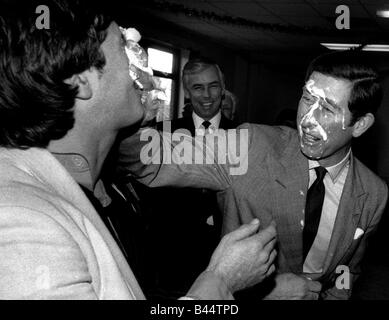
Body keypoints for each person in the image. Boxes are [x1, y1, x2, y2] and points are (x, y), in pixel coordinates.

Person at [0, 0, 277, 299]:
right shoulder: (22, 219)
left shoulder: (103, 187)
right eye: (123, 47)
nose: (139, 60)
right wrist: (220, 282)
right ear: (81, 79)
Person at [117, 50, 388, 300]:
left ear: (360, 125)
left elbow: (348, 271)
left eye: (327, 109)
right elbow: (148, 159)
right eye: (307, 98)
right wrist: (132, 107)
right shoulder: (250, 146)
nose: (307, 119)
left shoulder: (374, 193)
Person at [130, 58, 240, 298]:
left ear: (223, 89)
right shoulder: (163, 134)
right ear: (187, 93)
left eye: (213, 86)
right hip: (172, 260)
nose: (207, 95)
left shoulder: (245, 135)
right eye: (198, 88)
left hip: (227, 259)